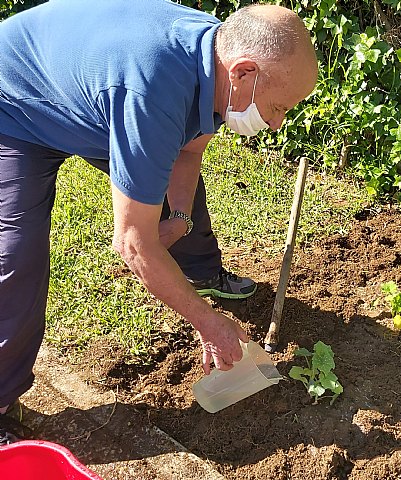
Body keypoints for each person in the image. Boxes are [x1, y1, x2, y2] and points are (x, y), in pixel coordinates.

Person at [0, 0, 318, 443]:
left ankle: (200, 272)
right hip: (17, 103)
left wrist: (181, 219)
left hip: (97, 93)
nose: (278, 123)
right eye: (279, 107)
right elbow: (132, 241)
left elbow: (189, 150)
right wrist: (209, 323)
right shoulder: (153, 91)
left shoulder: (219, 58)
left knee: (168, 199)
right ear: (244, 73)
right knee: (16, 258)